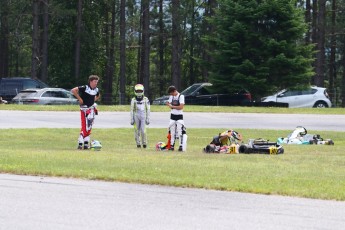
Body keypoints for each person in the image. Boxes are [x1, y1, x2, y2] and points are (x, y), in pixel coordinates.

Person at [71, 75, 100, 150]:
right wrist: (80, 99)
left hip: (92, 109)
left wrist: (93, 100)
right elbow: (73, 90)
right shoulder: (85, 87)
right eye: (94, 82)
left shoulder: (96, 89)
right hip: (84, 109)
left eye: (97, 82)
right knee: (84, 126)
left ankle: (86, 143)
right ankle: (80, 143)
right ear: (90, 81)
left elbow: (98, 95)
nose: (96, 83)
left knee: (89, 126)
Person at [130, 84, 150, 148]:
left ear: (143, 91)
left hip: (143, 115)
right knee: (136, 130)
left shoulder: (146, 99)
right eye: (137, 91)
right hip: (136, 115)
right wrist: (132, 119)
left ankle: (144, 143)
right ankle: (138, 143)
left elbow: (148, 109)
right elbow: (131, 110)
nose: (139, 92)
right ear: (135, 91)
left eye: (140, 91)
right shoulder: (133, 100)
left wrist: (148, 118)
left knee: (143, 130)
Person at [166, 85, 186, 151]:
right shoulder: (171, 96)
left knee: (180, 131)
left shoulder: (181, 96)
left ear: (174, 91)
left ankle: (180, 146)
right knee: (172, 131)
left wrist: (172, 106)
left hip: (179, 116)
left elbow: (181, 107)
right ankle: (172, 145)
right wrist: (169, 105)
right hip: (172, 116)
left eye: (172, 93)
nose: (171, 95)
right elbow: (168, 103)